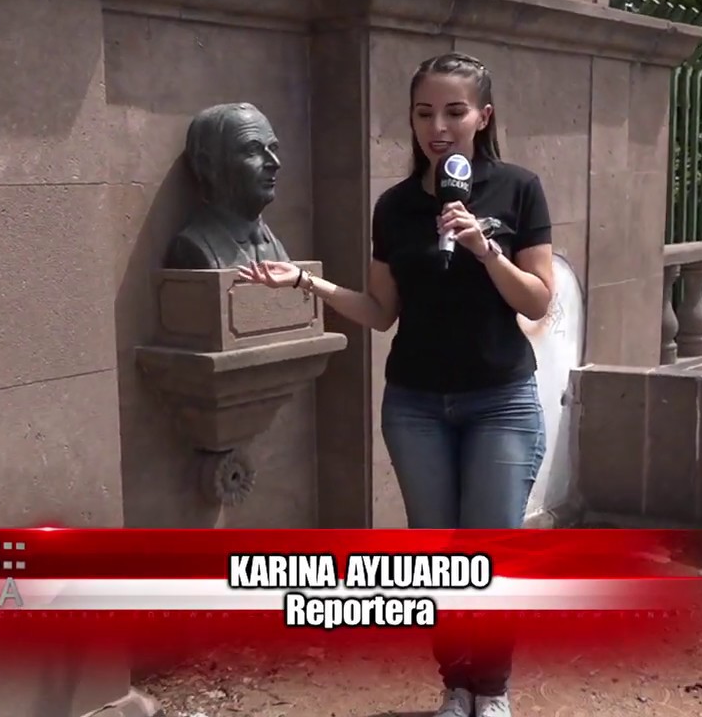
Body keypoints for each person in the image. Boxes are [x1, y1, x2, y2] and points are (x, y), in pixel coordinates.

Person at [237, 52, 553, 717]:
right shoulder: (396, 206)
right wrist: (307, 282)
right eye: (423, 112)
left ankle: (492, 689)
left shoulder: (519, 189)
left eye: (454, 111)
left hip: (500, 401)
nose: (438, 127)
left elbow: (536, 300)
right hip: (415, 406)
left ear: (483, 116)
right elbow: (382, 312)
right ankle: (457, 684)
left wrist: (485, 249)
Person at [164, 102, 292, 269]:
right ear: (207, 165)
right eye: (252, 150)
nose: (275, 163)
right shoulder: (193, 247)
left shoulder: (275, 247)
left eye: (273, 148)